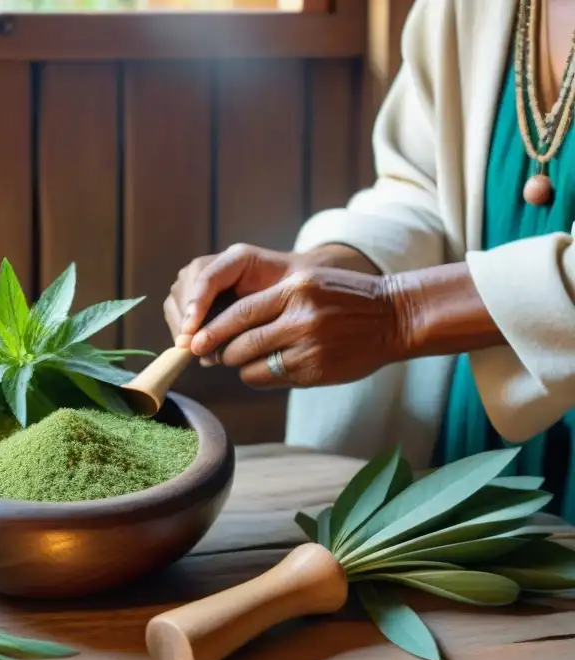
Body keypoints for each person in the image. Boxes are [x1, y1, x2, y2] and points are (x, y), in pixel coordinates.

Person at [166, 0, 575, 520]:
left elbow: (398, 305)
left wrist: (398, 313)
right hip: (479, 443)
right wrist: (335, 266)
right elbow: (424, 188)